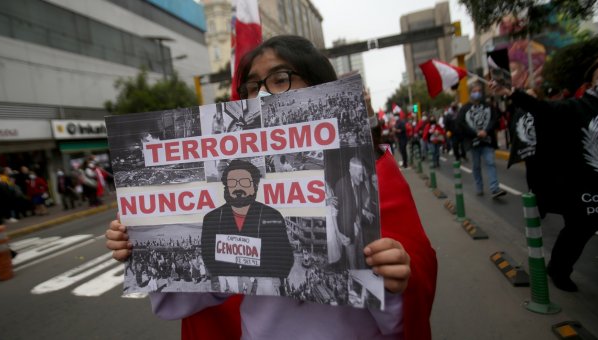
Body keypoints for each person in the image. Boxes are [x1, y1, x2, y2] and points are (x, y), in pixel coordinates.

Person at [107, 35, 437, 340]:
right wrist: (143, 243)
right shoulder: (232, 183)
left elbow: (412, 289)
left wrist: (395, 280)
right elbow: (202, 289)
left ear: (320, 85)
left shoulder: (370, 170)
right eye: (251, 87)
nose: (263, 94)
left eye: (280, 79)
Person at [491, 51, 598, 292]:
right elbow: (543, 110)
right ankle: (558, 270)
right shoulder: (578, 107)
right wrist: (513, 94)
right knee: (579, 230)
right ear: (591, 83)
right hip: (589, 189)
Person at [201, 159, 294, 278]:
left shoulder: (272, 216)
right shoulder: (211, 219)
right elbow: (209, 260)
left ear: (254, 186)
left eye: (244, 182)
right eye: (232, 182)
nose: (237, 187)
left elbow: (284, 261)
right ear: (226, 187)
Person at [457, 83, 507, 198]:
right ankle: (479, 187)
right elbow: (460, 123)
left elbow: (495, 119)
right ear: (470, 93)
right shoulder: (465, 108)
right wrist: (475, 133)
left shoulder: (488, 106)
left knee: (490, 162)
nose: (477, 93)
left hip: (487, 141)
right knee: (476, 166)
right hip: (473, 143)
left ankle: (495, 188)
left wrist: (486, 130)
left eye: (479, 90)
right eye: (474, 91)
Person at [332, 157, 376, 269]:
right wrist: (338, 233)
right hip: (347, 234)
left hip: (358, 230)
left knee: (361, 260)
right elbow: (334, 211)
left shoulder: (357, 185)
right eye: (359, 175)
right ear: (351, 171)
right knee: (353, 266)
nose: (362, 179)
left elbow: (354, 206)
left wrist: (365, 212)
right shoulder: (340, 185)